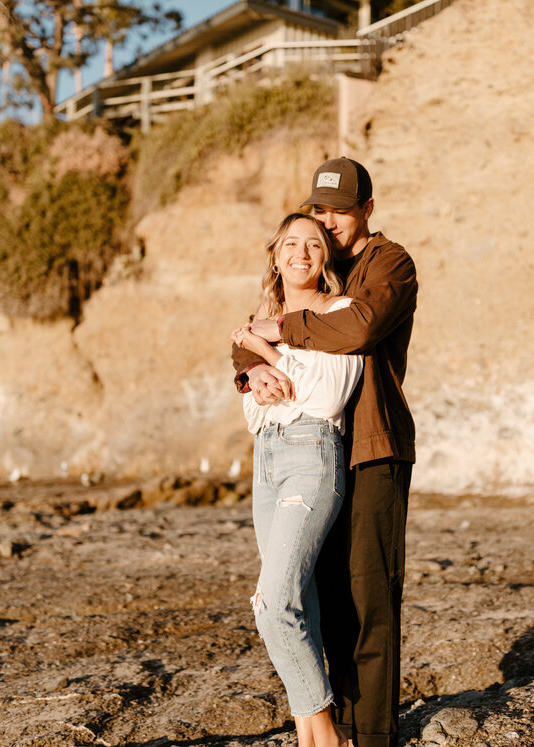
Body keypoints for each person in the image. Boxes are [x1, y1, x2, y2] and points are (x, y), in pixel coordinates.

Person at [232, 158, 417, 747]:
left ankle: (374, 735)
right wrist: (248, 367)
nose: (331, 222)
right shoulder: (322, 267)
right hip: (318, 447)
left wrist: (275, 335)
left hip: (372, 444)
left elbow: (358, 328)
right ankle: (327, 722)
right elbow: (251, 327)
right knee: (322, 595)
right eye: (321, 211)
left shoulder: (390, 264)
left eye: (342, 209)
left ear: (367, 208)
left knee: (370, 595)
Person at [231, 212, 363, 747]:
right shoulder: (264, 315)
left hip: (313, 453)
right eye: (291, 243)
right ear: (276, 254)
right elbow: (257, 410)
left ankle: (326, 734)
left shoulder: (342, 313)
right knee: (296, 601)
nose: (302, 253)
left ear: (325, 257)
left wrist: (264, 352)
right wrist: (257, 374)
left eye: (313, 244)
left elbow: (327, 395)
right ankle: (309, 735)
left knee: (272, 599)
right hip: (267, 459)